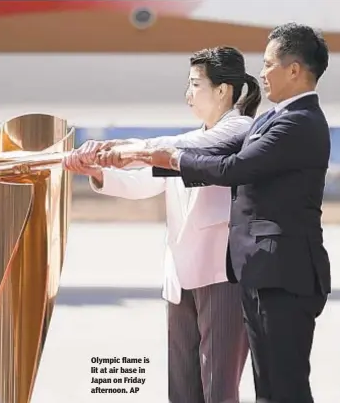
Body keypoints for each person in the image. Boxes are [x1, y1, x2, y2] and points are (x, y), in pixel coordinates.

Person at [97, 23, 330, 403]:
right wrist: (104, 170)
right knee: (266, 388)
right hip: (257, 271)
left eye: (269, 63)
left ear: (294, 69)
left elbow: (233, 167)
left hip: (276, 274)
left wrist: (155, 155)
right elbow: (170, 169)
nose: (262, 72)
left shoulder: (292, 122)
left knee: (278, 387)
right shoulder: (275, 118)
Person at [64, 46, 261, 403]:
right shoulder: (187, 140)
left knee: (217, 389)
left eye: (195, 85)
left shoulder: (239, 131)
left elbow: (186, 149)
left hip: (222, 278)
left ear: (222, 90)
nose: (187, 94)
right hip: (181, 276)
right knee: (182, 390)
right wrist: (99, 172)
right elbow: (147, 184)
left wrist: (126, 149)